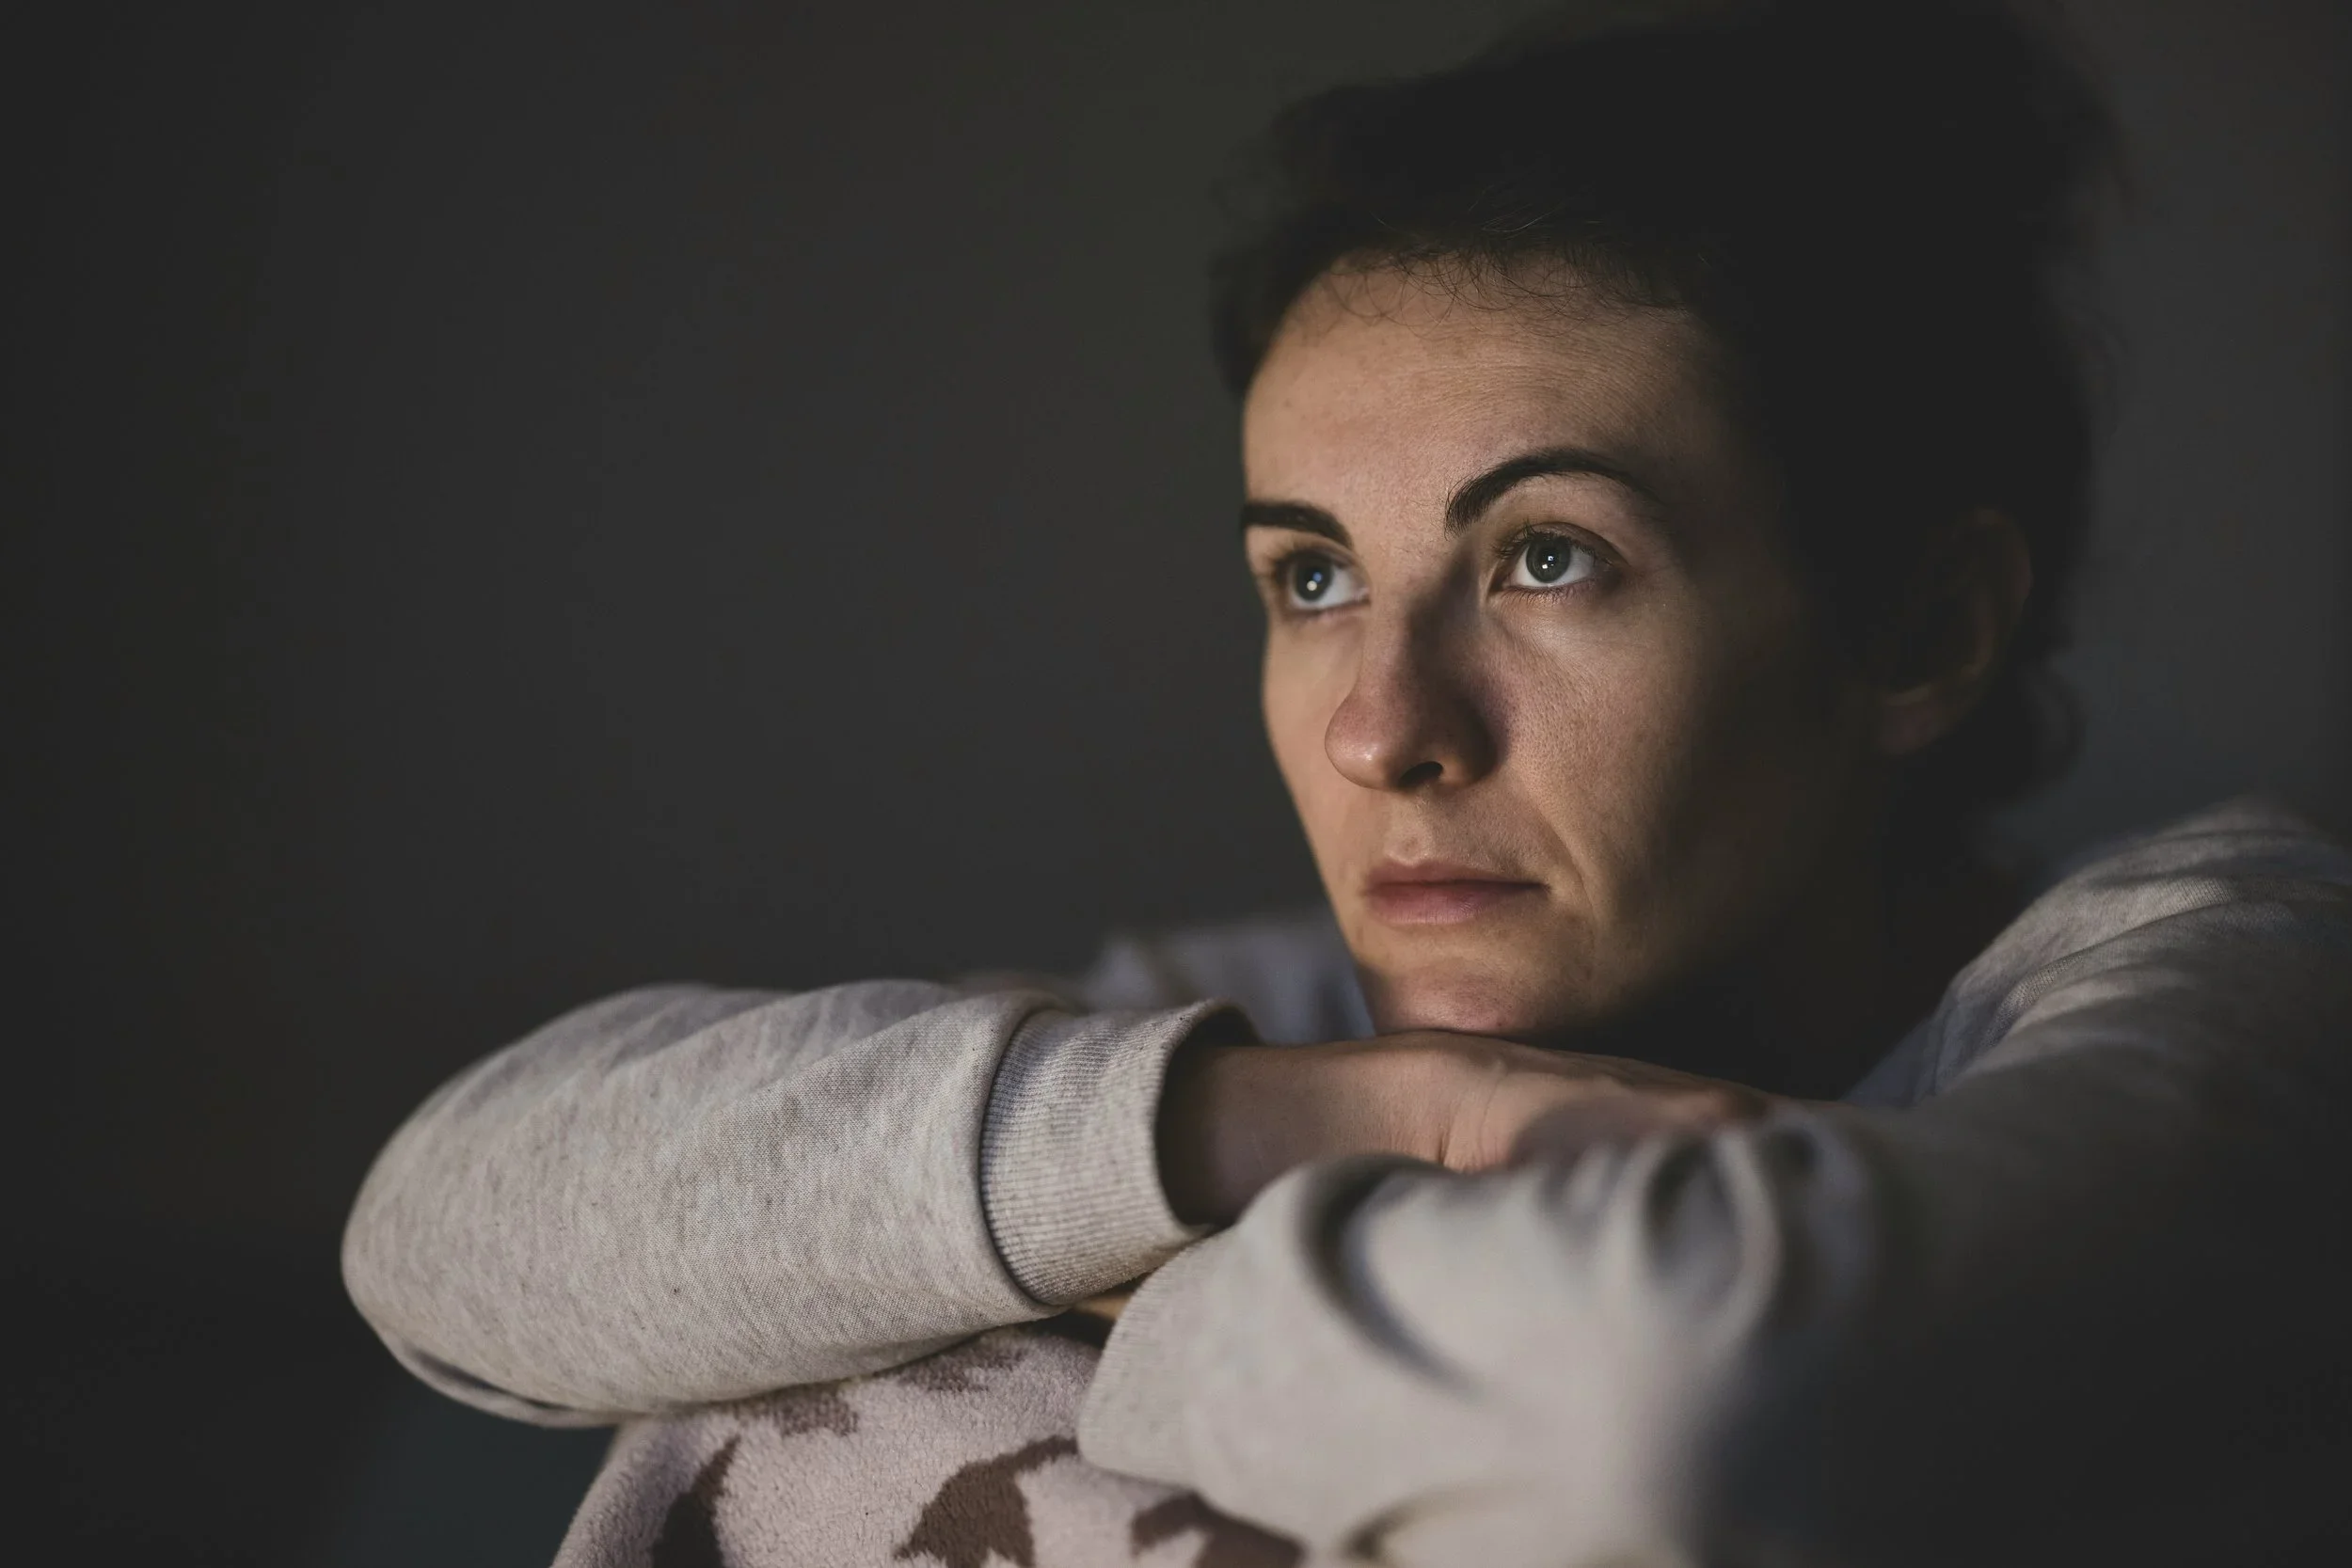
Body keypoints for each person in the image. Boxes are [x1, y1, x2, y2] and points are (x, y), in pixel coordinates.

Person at [342, 3, 2352, 1564]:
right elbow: (441, 1231)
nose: (1384, 723)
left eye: (1544, 557)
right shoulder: (1269, 1034)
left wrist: (1097, 1281)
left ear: (1914, 630)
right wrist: (1306, 1118)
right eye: (1308, 576)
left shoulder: (2236, 989)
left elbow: (1674, 1398)